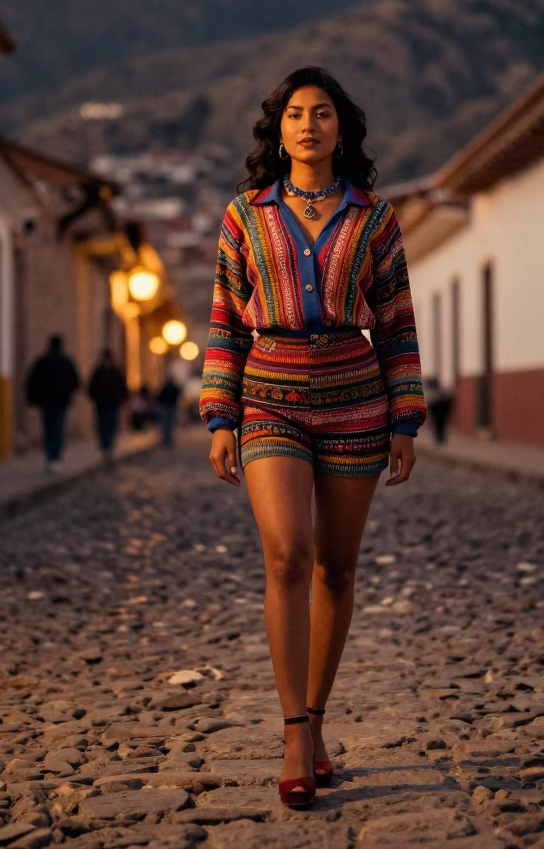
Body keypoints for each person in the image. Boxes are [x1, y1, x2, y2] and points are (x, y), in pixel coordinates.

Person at [199, 66, 426, 808]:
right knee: (288, 554)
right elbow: (226, 317)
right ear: (278, 129)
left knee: (336, 566)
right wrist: (221, 414)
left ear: (340, 128)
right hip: (269, 397)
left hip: (356, 400)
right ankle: (294, 732)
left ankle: (320, 719)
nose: (308, 125)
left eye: (322, 113)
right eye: (295, 113)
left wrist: (404, 416)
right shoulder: (245, 214)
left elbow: (395, 319)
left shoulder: (375, 218)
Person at [25, 334, 80, 474]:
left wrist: (34, 398)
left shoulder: (42, 361)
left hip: (46, 402)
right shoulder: (66, 361)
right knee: (58, 428)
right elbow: (75, 381)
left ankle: (50, 457)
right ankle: (56, 458)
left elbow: (32, 381)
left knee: (48, 428)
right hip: (61, 401)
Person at [87, 349, 129, 464]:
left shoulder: (115, 372)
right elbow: (91, 387)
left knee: (111, 425)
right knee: (101, 426)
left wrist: (123, 398)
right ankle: (104, 445)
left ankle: (109, 446)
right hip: (101, 404)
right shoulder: (98, 372)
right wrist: (95, 397)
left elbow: (122, 387)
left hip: (112, 404)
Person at [155, 376, 182, 446]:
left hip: (167, 407)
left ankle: (167, 438)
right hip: (170, 407)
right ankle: (168, 438)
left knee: (166, 424)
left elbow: (160, 397)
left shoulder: (166, 388)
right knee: (169, 424)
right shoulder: (173, 388)